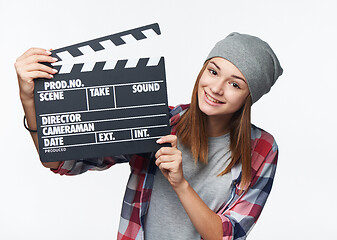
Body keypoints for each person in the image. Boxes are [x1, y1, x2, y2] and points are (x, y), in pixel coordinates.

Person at [15, 32, 283, 240]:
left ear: (250, 96)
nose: (216, 88)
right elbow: (63, 162)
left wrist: (181, 184)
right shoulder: (162, 121)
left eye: (235, 84)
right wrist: (29, 99)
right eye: (213, 71)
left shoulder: (261, 148)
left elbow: (228, 234)